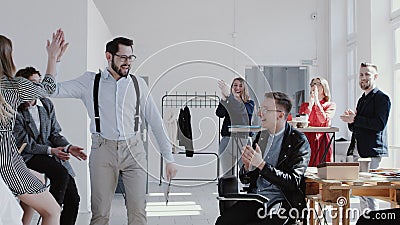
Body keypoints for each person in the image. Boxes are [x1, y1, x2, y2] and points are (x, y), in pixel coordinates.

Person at [50, 36, 177, 225]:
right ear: (109, 56)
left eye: (131, 57)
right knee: (100, 213)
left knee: (138, 212)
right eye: (123, 57)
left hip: (134, 150)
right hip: (103, 150)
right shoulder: (90, 82)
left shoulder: (137, 84)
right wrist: (54, 59)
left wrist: (169, 158)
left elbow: (155, 121)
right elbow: (52, 91)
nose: (128, 63)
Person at [0, 30, 66, 225]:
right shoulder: (14, 85)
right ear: (7, 57)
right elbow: (48, 88)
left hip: (11, 162)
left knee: (22, 204)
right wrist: (53, 58)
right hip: (6, 162)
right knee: (52, 211)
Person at [215, 92, 310, 225]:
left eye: (265, 110)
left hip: (282, 204)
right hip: (256, 199)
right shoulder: (261, 137)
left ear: (280, 115)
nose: (259, 114)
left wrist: (261, 165)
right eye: (260, 109)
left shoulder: (298, 141)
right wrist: (248, 168)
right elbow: (246, 179)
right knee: (223, 222)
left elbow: (293, 182)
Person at [13, 66, 87, 225]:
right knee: (60, 173)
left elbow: (55, 133)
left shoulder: (46, 104)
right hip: (29, 156)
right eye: (33, 83)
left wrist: (68, 147)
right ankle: (51, 213)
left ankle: (54, 214)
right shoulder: (15, 110)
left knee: (73, 200)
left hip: (52, 155)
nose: (38, 87)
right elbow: (25, 144)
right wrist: (51, 150)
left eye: (39, 83)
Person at [340, 62, 390, 210]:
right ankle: (365, 220)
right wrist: (351, 120)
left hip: (372, 151)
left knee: (369, 192)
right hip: (358, 151)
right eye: (361, 74)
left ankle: (373, 220)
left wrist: (355, 119)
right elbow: (357, 127)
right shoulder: (362, 99)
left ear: (375, 76)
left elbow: (379, 125)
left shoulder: (382, 98)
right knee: (360, 191)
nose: (363, 77)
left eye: (367, 74)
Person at [216, 78, 254, 176]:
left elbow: (241, 112)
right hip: (227, 139)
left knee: (247, 173)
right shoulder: (229, 101)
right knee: (228, 175)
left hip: (243, 141)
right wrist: (224, 100)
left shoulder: (249, 103)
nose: (237, 88)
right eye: (235, 85)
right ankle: (229, 191)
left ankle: (249, 191)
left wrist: (230, 97)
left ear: (244, 88)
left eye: (240, 86)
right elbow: (219, 113)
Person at [299, 77, 336, 166]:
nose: (314, 86)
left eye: (318, 84)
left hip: (321, 139)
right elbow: (301, 122)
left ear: (324, 87)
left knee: (323, 166)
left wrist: (317, 102)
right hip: (307, 139)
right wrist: (310, 105)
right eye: (312, 84)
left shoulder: (330, 105)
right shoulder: (305, 105)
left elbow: (323, 120)